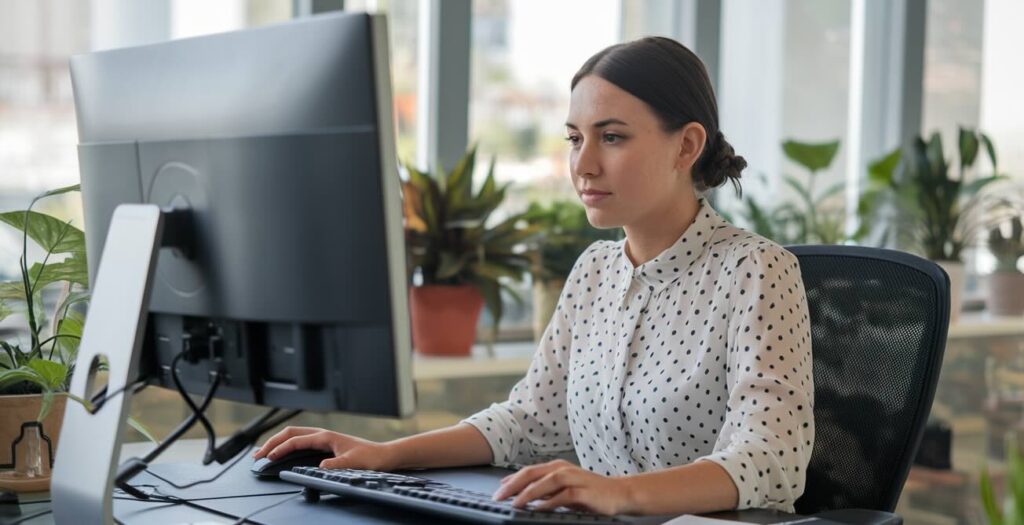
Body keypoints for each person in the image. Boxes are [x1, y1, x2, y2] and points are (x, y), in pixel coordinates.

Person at [254, 36, 814, 517]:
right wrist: (385, 454)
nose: (583, 164)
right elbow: (528, 422)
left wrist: (617, 495)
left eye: (611, 137)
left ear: (687, 145)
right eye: (575, 138)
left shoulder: (756, 270)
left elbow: (770, 459)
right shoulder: (594, 271)